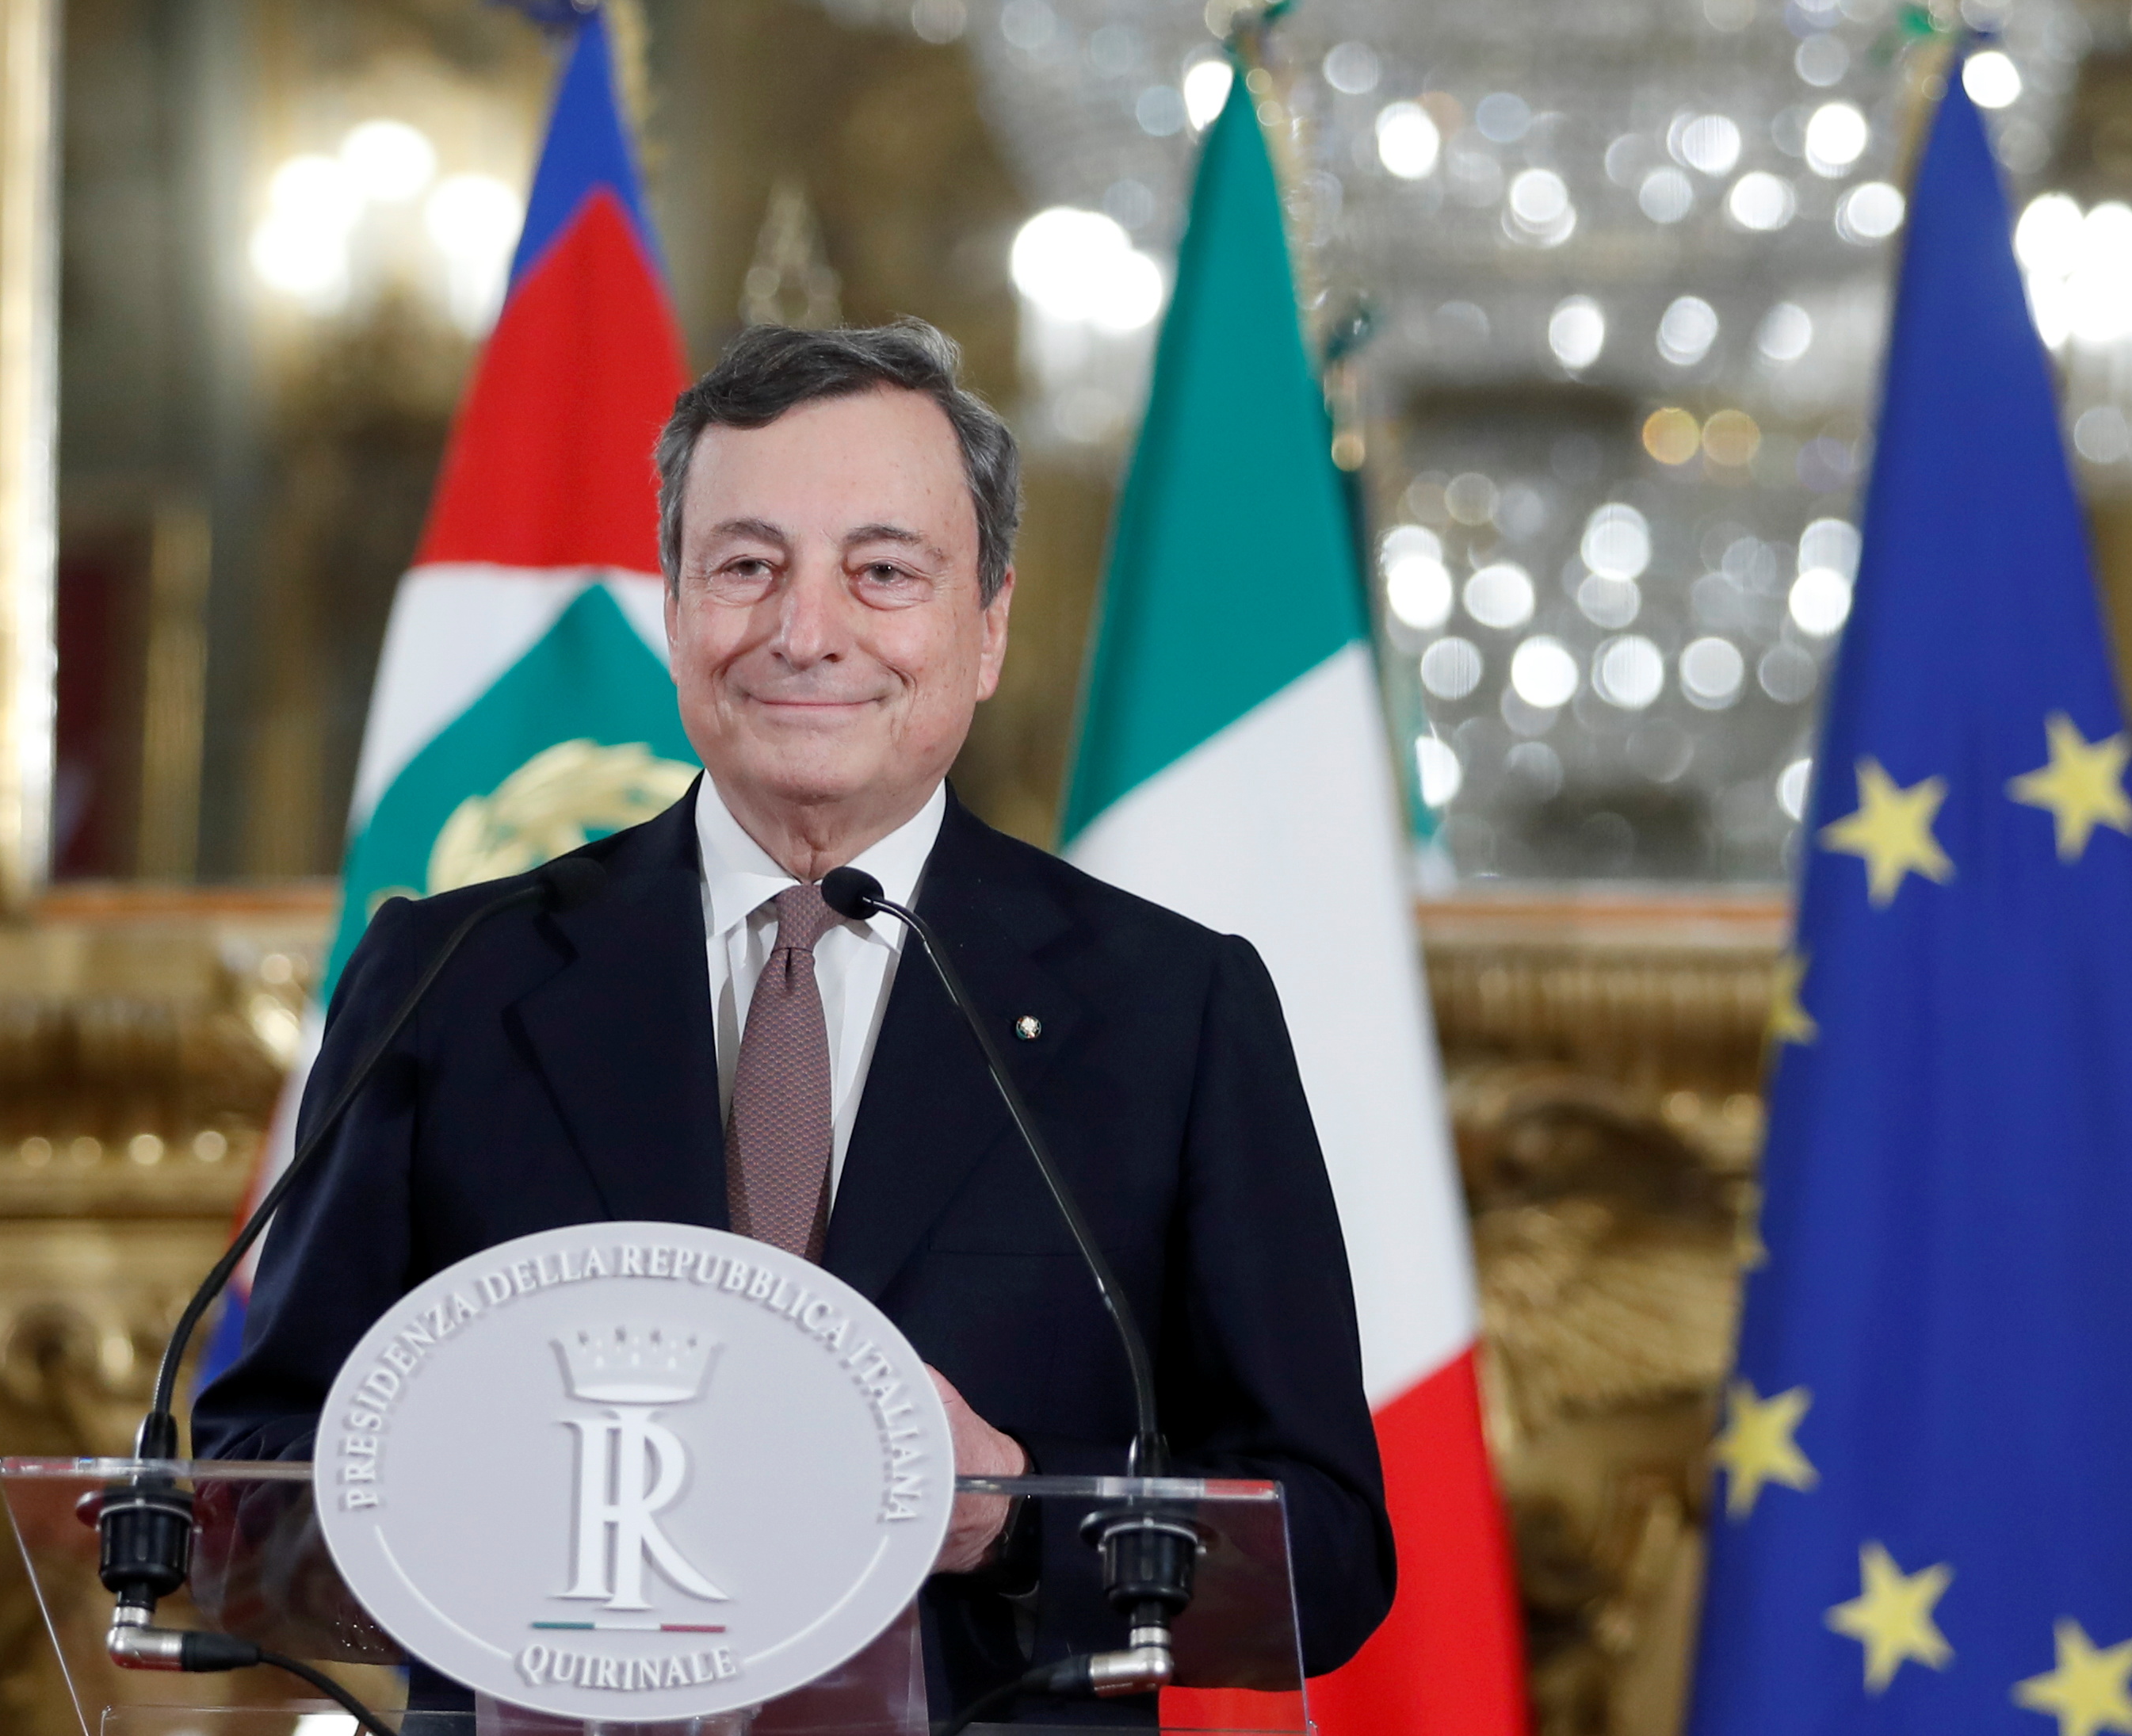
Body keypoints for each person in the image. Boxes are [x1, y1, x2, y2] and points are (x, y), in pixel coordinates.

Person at [193, 320, 1396, 1723]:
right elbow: (252, 1481)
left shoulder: (1169, 1009)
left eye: (882, 572)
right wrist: (541, 1477)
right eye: (747, 567)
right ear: (674, 601)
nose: (803, 630)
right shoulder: (448, 971)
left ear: (988, 623)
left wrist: (1007, 1513)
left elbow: (1322, 1549)